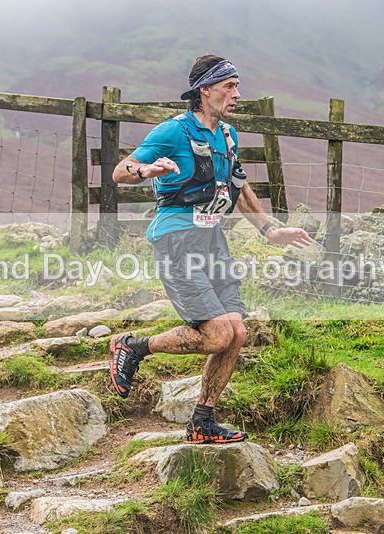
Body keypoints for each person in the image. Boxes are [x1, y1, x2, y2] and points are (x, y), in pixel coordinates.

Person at [109, 54, 312, 444]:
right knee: (217, 334)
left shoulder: (227, 135)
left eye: (237, 86)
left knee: (236, 333)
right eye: (229, 86)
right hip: (176, 239)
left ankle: (201, 421)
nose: (237, 94)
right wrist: (145, 171)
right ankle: (132, 347)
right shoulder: (173, 131)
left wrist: (270, 229)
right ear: (205, 91)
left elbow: (238, 186)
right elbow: (121, 170)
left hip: (213, 240)